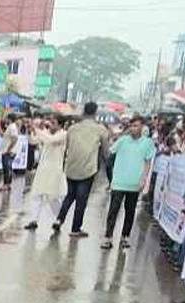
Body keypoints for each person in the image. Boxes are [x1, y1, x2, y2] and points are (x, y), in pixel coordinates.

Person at [56, 102, 111, 237]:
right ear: (95, 113)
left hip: (71, 167)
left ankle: (59, 220)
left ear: (84, 112)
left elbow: (67, 147)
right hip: (88, 169)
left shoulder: (72, 128)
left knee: (69, 196)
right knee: (81, 199)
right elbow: (106, 152)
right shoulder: (100, 129)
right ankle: (75, 228)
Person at [102, 116, 155, 250]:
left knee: (130, 212)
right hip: (119, 182)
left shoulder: (147, 143)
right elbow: (110, 151)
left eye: (136, 126)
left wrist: (144, 180)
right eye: (131, 126)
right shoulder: (123, 140)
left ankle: (124, 237)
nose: (133, 128)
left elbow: (148, 162)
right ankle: (108, 237)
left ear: (142, 127)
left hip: (134, 184)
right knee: (113, 210)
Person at [23, 116, 68, 230]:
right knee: (36, 195)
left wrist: (37, 129)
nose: (50, 125)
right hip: (42, 169)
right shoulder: (46, 132)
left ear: (60, 125)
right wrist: (30, 131)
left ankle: (59, 219)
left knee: (52, 197)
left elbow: (50, 140)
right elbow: (33, 141)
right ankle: (34, 220)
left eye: (53, 123)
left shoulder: (63, 134)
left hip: (54, 170)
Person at [0, 114, 20, 191]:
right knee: (8, 167)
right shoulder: (11, 126)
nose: (6, 119)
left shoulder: (12, 126)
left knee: (6, 168)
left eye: (7, 118)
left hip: (9, 151)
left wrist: (9, 148)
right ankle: (8, 184)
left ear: (9, 119)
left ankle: (6, 184)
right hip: (8, 150)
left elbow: (14, 138)